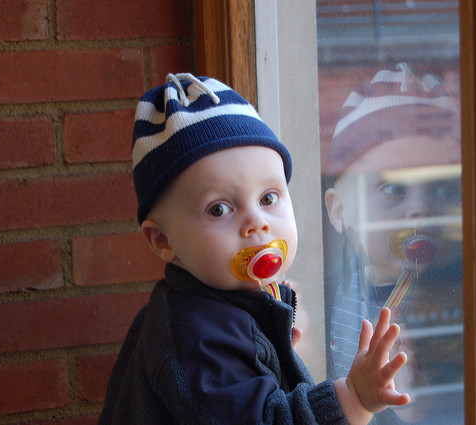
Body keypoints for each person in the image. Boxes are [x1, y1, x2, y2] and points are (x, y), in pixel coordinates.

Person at [98, 73, 410, 425]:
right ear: (163, 241)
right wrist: (352, 397)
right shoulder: (197, 336)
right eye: (219, 209)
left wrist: (273, 329)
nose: (256, 223)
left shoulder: (220, 300)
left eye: (268, 198)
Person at [322, 64, 463, 424]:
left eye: (442, 189)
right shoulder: (327, 300)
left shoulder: (463, 294)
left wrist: (420, 401)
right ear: (341, 211)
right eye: (394, 189)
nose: (421, 209)